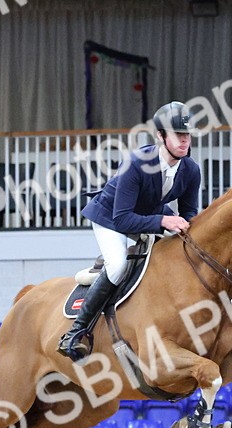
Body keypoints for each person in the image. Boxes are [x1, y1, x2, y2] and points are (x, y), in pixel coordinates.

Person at [57, 101, 203, 361]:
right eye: (178, 135)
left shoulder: (191, 169)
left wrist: (184, 229)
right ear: (160, 136)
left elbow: (189, 213)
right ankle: (76, 332)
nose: (184, 141)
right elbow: (123, 219)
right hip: (111, 217)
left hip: (149, 214)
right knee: (118, 266)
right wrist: (163, 222)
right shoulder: (137, 163)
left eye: (188, 135)